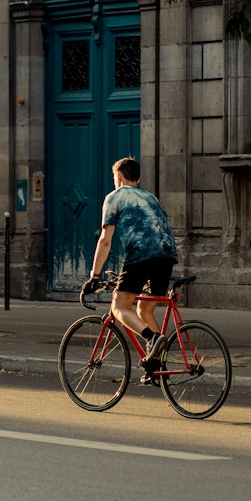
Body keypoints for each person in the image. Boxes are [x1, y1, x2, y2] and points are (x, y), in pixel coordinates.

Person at [84, 157, 177, 380]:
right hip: (166, 256)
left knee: (119, 307)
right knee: (144, 310)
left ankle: (153, 338)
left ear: (118, 177)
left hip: (141, 255)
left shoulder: (115, 197)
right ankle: (157, 367)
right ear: (138, 178)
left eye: (114, 177)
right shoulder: (150, 197)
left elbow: (105, 240)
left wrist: (94, 275)